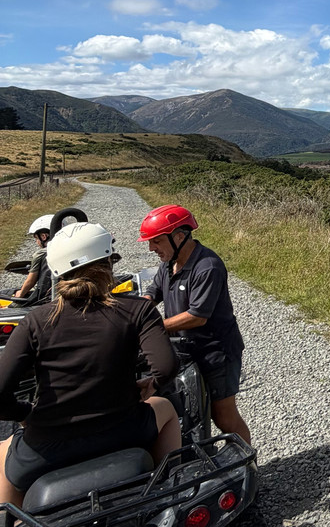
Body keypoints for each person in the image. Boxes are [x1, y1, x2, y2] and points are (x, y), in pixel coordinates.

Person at [0, 221, 181, 507]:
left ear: (57, 271)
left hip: (47, 445)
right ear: (108, 263)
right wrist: (152, 385)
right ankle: (169, 493)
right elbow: (167, 366)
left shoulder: (35, 320)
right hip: (123, 430)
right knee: (167, 408)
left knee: (3, 453)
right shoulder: (138, 309)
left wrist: (25, 414)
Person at [139, 205, 251, 446]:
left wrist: (152, 328)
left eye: (156, 241)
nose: (151, 248)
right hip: (186, 349)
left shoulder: (208, 266)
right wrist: (134, 314)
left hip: (216, 352)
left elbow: (197, 316)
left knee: (224, 417)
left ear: (179, 236)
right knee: (192, 409)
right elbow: (153, 293)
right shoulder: (169, 262)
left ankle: (246, 461)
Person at [13, 215, 52, 299]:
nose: (36, 242)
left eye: (36, 238)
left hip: (47, 297)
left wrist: (20, 294)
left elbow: (31, 281)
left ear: (43, 236)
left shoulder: (41, 254)